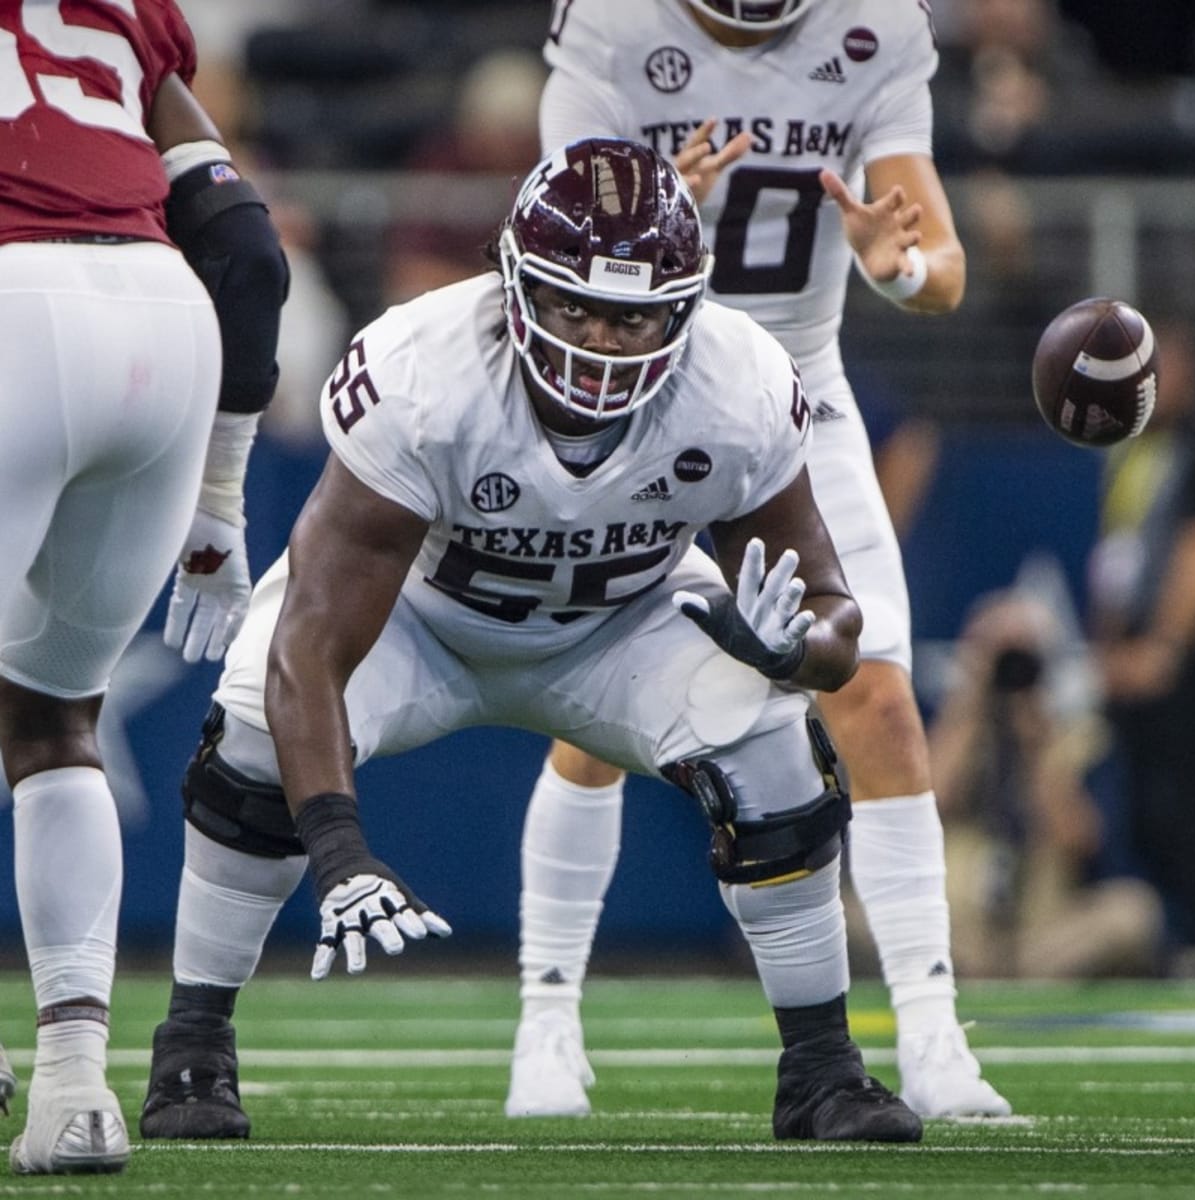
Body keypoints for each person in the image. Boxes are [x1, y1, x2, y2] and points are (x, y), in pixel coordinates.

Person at [138, 136, 925, 1145]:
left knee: (775, 743)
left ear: (685, 308)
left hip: (623, 623)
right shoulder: (424, 369)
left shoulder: (738, 382)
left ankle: (823, 1069)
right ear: (513, 286)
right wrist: (338, 851)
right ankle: (193, 1044)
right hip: (421, 622)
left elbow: (832, 610)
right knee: (251, 728)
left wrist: (797, 654)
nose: (602, 341)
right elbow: (312, 647)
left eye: (635, 315)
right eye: (574, 307)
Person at [504, 0, 1010, 1121]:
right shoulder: (615, 26)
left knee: (874, 695)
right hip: (641, 387)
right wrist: (647, 223)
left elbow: (943, 267)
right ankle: (547, 1022)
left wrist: (894, 267)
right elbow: (541, 251)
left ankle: (931, 1038)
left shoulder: (873, 28)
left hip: (795, 391)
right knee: (591, 726)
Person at [0, 0, 287, 1175]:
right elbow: (247, 249)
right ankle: (75, 1090)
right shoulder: (121, 11)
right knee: (54, 716)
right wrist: (219, 498)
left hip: (14, 308)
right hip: (167, 328)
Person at [929, 590, 1163, 978]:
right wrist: (969, 704)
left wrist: (1038, 746)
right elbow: (927, 804)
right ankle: (977, 969)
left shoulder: (1079, 736)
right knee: (856, 912)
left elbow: (1081, 840)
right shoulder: (955, 729)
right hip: (958, 925)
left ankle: (1008, 974)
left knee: (1134, 911)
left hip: (1042, 927)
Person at [1089, 314, 1195, 968]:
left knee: (1181, 803)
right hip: (1128, 661)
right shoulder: (1129, 450)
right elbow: (1115, 554)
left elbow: (1193, 546)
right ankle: (1175, 942)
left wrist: (1163, 647)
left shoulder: (1193, 447)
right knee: (1144, 812)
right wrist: (1108, 647)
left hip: (1179, 668)